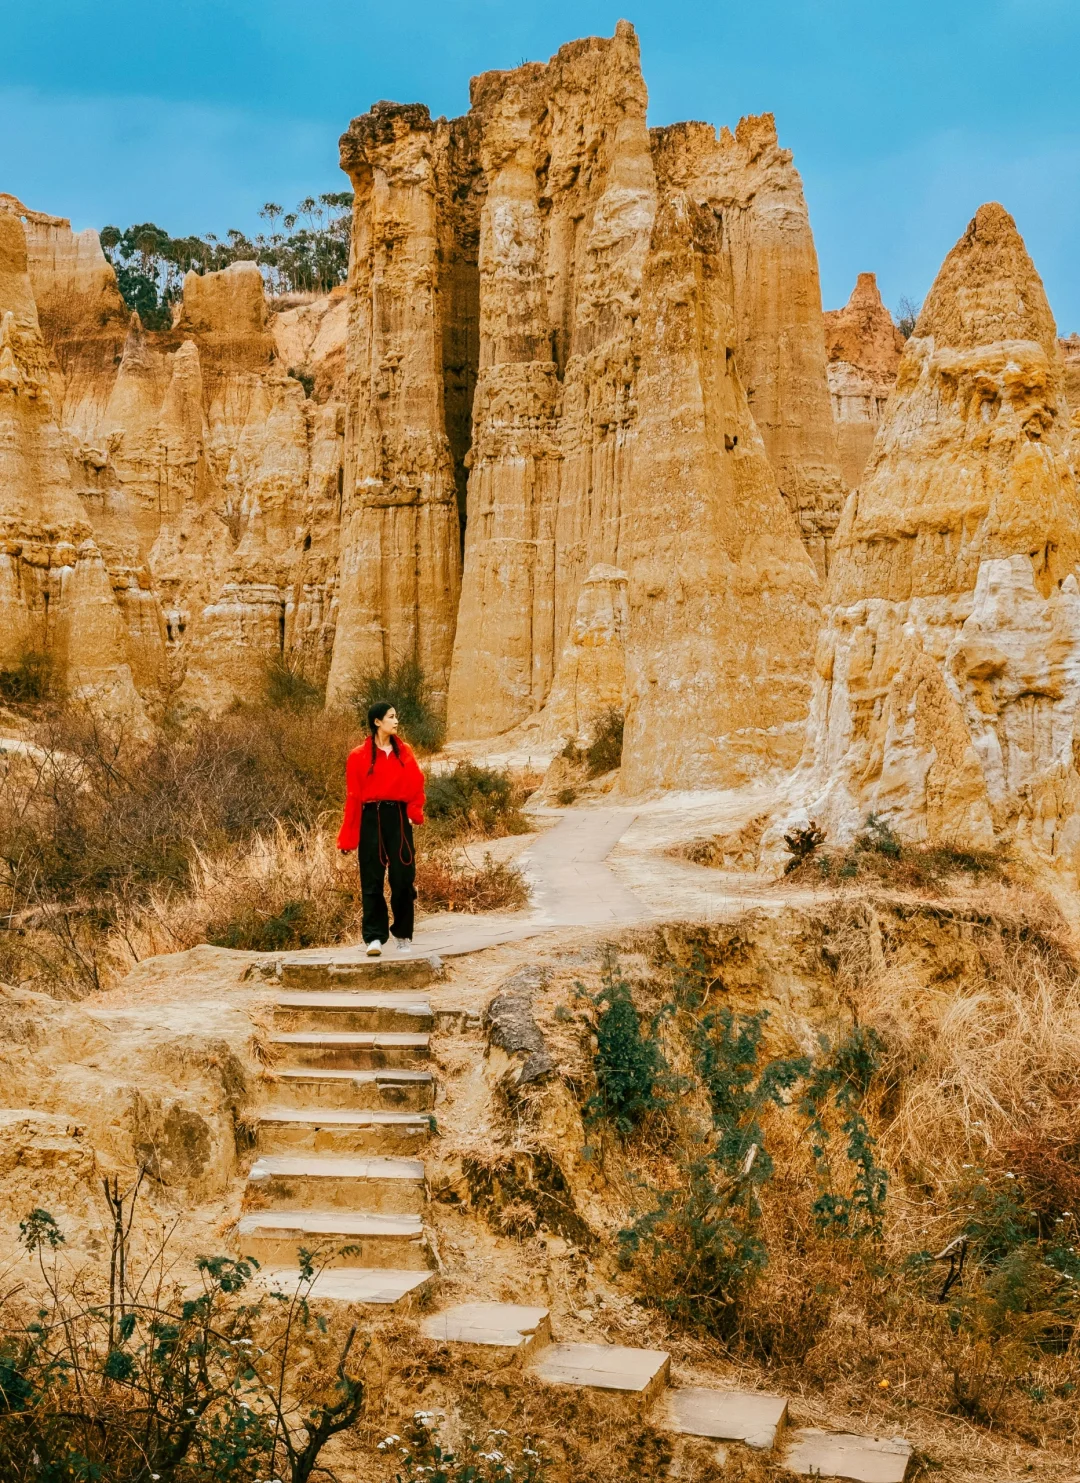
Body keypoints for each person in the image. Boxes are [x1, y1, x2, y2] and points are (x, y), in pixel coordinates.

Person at [337, 702, 425, 957]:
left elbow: (417, 784)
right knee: (372, 879)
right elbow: (353, 797)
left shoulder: (404, 751)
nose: (396, 721)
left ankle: (403, 935)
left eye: (397, 716)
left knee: (402, 879)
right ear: (377, 722)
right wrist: (347, 838)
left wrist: (412, 813)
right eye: (391, 717)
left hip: (397, 818)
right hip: (369, 818)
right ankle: (374, 937)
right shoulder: (357, 756)